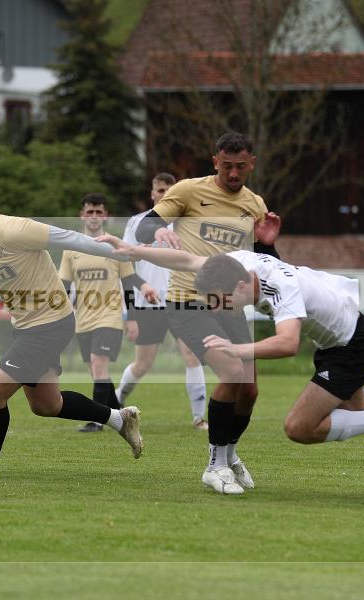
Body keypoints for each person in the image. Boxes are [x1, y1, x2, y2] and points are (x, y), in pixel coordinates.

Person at [98, 236, 364, 495]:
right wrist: (133, 251)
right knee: (356, 405)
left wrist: (236, 349)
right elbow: (187, 259)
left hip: (353, 346)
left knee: (299, 427)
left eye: (220, 301)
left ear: (239, 286)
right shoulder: (233, 265)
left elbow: (287, 344)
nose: (217, 309)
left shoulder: (280, 289)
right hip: (340, 340)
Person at [0, 181, 144, 479]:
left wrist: (125, 252)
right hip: (25, 328)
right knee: (47, 405)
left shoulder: (12, 229)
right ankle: (119, 419)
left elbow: (70, 238)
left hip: (51, 323)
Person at [132, 131, 282, 494]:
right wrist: (159, 232)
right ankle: (214, 466)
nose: (234, 173)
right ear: (215, 162)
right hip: (188, 302)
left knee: (249, 390)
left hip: (229, 307)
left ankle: (229, 455)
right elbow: (145, 224)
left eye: (240, 166)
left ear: (252, 164)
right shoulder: (187, 191)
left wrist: (267, 244)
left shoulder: (254, 204)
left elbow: (267, 265)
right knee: (231, 372)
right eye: (226, 166)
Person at [59, 193, 159, 432]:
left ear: (105, 215)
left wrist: (132, 318)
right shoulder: (71, 249)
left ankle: (97, 421)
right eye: (89, 212)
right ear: (82, 215)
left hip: (110, 318)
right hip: (83, 320)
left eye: (98, 212)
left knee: (99, 366)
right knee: (97, 372)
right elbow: (64, 286)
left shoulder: (115, 247)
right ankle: (121, 416)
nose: (94, 216)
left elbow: (129, 283)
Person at [117, 173, 209, 430]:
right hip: (148, 304)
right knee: (142, 364)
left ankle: (199, 417)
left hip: (183, 300)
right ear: (152, 194)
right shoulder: (138, 223)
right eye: (160, 190)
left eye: (170, 190)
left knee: (192, 355)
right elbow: (125, 265)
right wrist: (130, 314)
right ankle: (116, 401)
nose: (164, 194)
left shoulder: (188, 224)